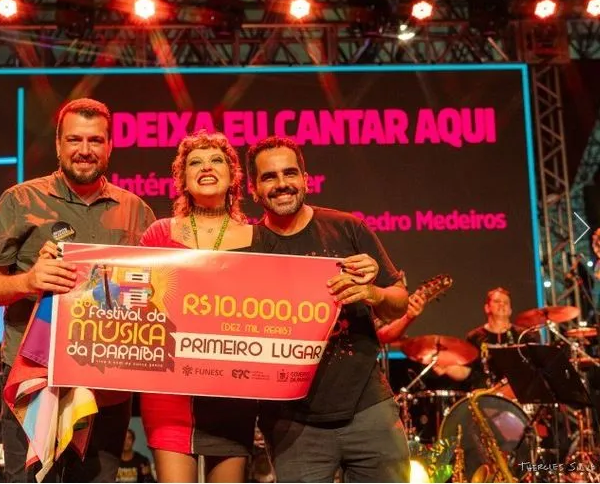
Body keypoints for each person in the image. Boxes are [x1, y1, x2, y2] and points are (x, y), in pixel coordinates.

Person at [0, 98, 156, 482]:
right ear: (58, 145)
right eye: (74, 139)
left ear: (110, 145)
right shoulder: (21, 200)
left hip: (107, 383)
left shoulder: (136, 211)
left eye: (95, 140)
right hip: (35, 380)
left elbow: (156, 292)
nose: (84, 150)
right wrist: (27, 281)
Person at [246, 136, 410, 483]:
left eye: (290, 173)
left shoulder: (347, 228)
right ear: (253, 189)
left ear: (306, 179)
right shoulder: (248, 246)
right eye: (269, 177)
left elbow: (399, 301)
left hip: (368, 409)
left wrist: (374, 294)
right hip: (292, 422)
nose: (282, 184)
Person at [138, 130, 260, 483]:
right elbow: (135, 301)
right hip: (169, 390)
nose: (206, 167)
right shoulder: (159, 234)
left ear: (233, 175)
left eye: (216, 160)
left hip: (233, 389)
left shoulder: (258, 238)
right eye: (195, 162)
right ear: (183, 179)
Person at [435, 287, 540, 388]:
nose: (502, 304)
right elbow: (468, 372)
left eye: (506, 302)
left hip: (517, 396)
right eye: (497, 301)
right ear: (487, 308)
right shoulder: (475, 337)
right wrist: (447, 369)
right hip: (485, 394)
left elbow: (535, 371)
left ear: (510, 310)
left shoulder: (524, 336)